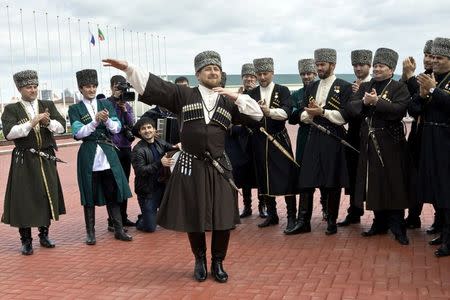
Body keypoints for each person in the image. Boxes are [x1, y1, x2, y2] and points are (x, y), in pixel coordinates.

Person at [103, 50, 263, 283]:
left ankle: (218, 262)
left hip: (220, 166)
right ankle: (200, 259)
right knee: (194, 216)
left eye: (217, 69)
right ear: (198, 74)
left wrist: (235, 96)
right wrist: (128, 67)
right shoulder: (183, 95)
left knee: (223, 218)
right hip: (191, 166)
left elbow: (257, 115)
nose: (213, 72)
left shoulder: (230, 102)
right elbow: (154, 85)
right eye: (208, 69)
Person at [345, 48, 411, 245]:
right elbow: (350, 109)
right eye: (375, 65)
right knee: (372, 183)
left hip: (391, 143)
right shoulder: (366, 85)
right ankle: (379, 223)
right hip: (369, 143)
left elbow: (399, 111)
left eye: (381, 66)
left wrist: (377, 102)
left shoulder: (399, 87)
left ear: (391, 69)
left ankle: (398, 225)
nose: (376, 69)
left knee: (393, 182)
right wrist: (365, 103)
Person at [1, 70, 66, 255]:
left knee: (46, 195)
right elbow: (9, 133)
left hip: (45, 157)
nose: (33, 90)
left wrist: (48, 123)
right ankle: (26, 240)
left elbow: (61, 127)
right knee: (25, 198)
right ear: (20, 88)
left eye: (35, 86)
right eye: (29, 87)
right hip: (25, 159)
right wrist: (32, 122)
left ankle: (44, 235)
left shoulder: (47, 104)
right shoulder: (11, 109)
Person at [68, 69, 133, 245]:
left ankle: (118, 229)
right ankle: (91, 233)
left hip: (107, 153)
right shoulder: (75, 108)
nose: (91, 89)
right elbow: (78, 133)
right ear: (81, 88)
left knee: (114, 192)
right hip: (89, 154)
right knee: (88, 193)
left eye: (94, 86)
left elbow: (117, 128)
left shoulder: (106, 104)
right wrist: (95, 121)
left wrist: (106, 120)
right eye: (88, 86)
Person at [296, 48, 352, 235]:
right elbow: (303, 115)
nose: (319, 68)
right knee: (306, 180)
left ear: (332, 65)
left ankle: (331, 221)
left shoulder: (344, 86)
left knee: (332, 181)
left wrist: (323, 112)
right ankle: (303, 221)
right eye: (317, 64)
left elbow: (344, 116)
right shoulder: (311, 87)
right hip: (313, 136)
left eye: (322, 64)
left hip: (332, 137)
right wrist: (309, 114)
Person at [245, 57, 297, 232]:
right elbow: (245, 116)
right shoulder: (251, 94)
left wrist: (269, 112)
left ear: (272, 73)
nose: (262, 77)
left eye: (265, 73)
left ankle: (291, 216)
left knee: (287, 177)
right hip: (259, 141)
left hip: (279, 139)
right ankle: (272, 214)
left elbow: (287, 112)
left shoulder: (282, 90)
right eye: (259, 74)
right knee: (263, 176)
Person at [410, 37, 450, 256]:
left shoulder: (438, 82)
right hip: (429, 138)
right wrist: (424, 94)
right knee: (437, 189)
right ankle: (443, 232)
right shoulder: (431, 79)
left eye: (440, 58)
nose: (434, 61)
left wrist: (434, 91)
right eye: (433, 57)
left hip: (446, 139)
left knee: (447, 189)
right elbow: (413, 109)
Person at [403, 40, 441, 232]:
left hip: (436, 136)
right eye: (426, 55)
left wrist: (410, 77)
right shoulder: (422, 77)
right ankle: (413, 215)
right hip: (418, 135)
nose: (429, 59)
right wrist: (407, 76)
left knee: (436, 178)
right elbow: (412, 103)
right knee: (414, 176)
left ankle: (439, 219)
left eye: (433, 56)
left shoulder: (438, 78)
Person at [286, 58, 327, 234]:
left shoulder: (323, 89)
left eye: (310, 73)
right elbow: (292, 116)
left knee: (325, 175)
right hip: (304, 138)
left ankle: (326, 209)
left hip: (323, 137)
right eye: (303, 73)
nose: (307, 76)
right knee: (304, 177)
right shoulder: (296, 94)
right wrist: (304, 114)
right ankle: (303, 219)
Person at [225, 63, 266, 218]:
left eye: (251, 76)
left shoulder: (259, 95)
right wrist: (237, 128)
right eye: (246, 76)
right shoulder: (236, 96)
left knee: (259, 174)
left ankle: (262, 206)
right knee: (243, 175)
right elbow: (230, 121)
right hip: (240, 143)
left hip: (257, 139)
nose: (249, 79)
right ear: (242, 78)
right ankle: (247, 207)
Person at [337, 49, 372, 227]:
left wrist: (360, 95)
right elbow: (348, 111)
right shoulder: (351, 86)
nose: (358, 68)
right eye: (355, 65)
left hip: (371, 135)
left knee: (372, 176)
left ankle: (379, 215)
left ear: (369, 65)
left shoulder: (375, 84)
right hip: (353, 134)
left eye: (362, 65)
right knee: (352, 173)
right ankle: (354, 211)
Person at [131, 117, 178, 232]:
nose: (147, 131)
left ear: (154, 129)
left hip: (161, 187)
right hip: (147, 191)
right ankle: (143, 219)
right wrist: (159, 163)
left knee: (173, 214)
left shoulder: (159, 142)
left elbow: (170, 147)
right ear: (139, 132)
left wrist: (177, 146)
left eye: (149, 127)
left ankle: (150, 214)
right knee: (150, 228)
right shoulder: (138, 150)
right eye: (143, 129)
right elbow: (140, 171)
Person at [106, 75, 136, 230]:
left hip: (126, 148)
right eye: (117, 87)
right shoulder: (106, 103)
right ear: (111, 87)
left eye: (122, 87)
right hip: (112, 148)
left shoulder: (127, 104)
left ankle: (123, 217)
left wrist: (124, 110)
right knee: (113, 184)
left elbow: (132, 125)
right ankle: (113, 220)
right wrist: (116, 104)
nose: (120, 90)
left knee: (124, 183)